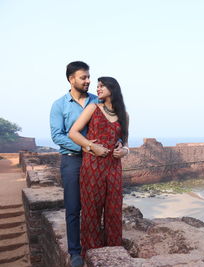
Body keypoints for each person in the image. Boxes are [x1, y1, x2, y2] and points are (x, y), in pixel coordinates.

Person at [50, 62, 127, 267]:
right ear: (71, 79)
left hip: (102, 162)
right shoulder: (60, 105)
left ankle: (107, 247)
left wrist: (120, 147)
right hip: (73, 159)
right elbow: (59, 135)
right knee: (75, 207)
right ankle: (76, 252)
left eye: (89, 77)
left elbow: (116, 132)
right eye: (83, 78)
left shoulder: (97, 101)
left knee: (102, 206)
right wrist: (87, 147)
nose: (89, 82)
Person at [69, 76, 129, 257]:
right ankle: (92, 253)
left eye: (102, 85)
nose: (98, 88)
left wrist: (124, 151)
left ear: (113, 88)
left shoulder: (124, 115)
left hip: (113, 167)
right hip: (92, 165)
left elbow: (125, 142)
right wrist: (91, 146)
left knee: (114, 209)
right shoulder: (93, 108)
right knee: (91, 209)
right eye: (97, 85)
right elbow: (73, 132)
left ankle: (114, 250)